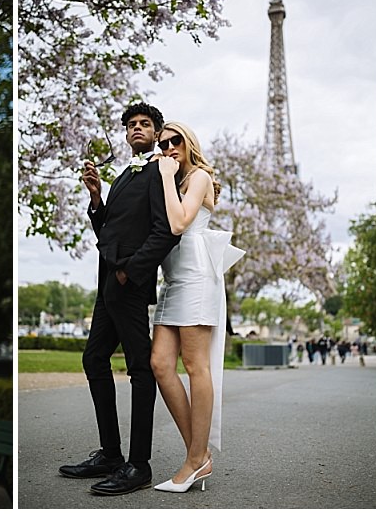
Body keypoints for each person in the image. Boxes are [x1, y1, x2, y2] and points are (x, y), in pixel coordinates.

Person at [60, 102, 181, 496]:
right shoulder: (123, 175)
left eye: (145, 124)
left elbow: (166, 231)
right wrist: (96, 198)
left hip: (128, 282)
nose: (136, 129)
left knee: (139, 368)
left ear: (157, 132)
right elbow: (108, 228)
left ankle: (139, 464)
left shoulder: (161, 172)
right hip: (107, 281)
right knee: (93, 358)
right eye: (131, 125)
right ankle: (111, 454)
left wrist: (132, 272)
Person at [149, 121, 244, 493]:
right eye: (164, 143)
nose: (170, 147)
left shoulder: (200, 176)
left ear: (189, 144)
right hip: (173, 281)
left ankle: (194, 460)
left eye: (176, 142)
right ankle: (199, 454)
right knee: (159, 363)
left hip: (197, 279)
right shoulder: (172, 181)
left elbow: (179, 222)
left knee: (195, 366)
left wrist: (168, 175)